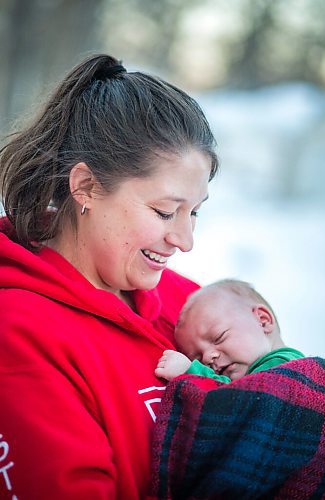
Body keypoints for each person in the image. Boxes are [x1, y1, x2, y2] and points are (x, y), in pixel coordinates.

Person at [0, 53, 219, 499]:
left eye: (193, 212)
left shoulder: (189, 305)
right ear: (86, 187)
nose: (184, 239)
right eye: (164, 211)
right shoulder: (17, 333)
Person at [155, 279, 304, 382]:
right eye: (197, 359)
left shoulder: (285, 367)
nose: (207, 358)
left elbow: (238, 401)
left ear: (263, 320)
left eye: (219, 337)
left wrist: (190, 372)